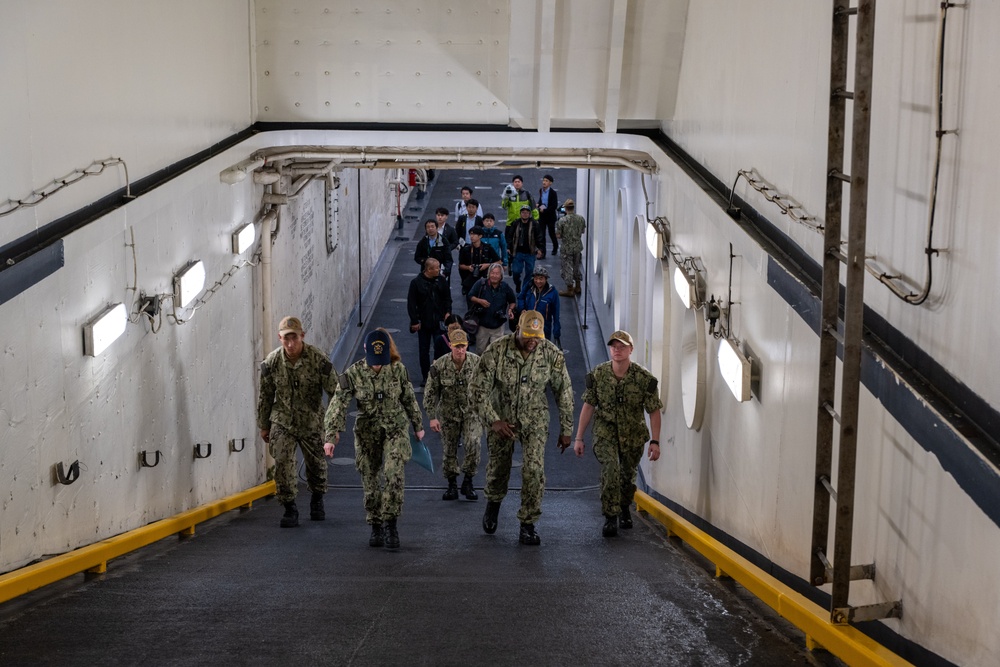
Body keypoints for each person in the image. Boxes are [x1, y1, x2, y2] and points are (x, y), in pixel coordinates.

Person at [469, 310, 574, 546]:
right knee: (498, 468)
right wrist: (492, 420)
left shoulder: (550, 354)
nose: (532, 341)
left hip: (535, 419)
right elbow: (476, 390)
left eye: (536, 336)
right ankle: (493, 503)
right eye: (527, 336)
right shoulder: (497, 350)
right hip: (501, 418)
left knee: (534, 471)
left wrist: (566, 429)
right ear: (518, 329)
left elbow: (564, 391)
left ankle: (528, 524)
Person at [324, 329, 425, 550]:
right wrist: (331, 436)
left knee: (393, 472)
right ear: (365, 351)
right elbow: (338, 404)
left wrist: (418, 425)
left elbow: (409, 397)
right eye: (374, 361)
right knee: (370, 479)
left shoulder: (397, 370)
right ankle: (375, 524)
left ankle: (391, 523)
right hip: (368, 431)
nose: (377, 366)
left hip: (395, 428)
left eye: (381, 361)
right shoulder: (353, 373)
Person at [573, 330, 663, 537]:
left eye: (622, 346)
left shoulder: (644, 379)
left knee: (627, 477)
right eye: (614, 346)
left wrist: (655, 441)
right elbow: (588, 406)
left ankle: (624, 508)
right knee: (611, 469)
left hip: (632, 434)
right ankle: (610, 516)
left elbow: (654, 411)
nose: (617, 350)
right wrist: (579, 437)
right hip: (605, 432)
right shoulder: (598, 374)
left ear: (631, 350)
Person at [256, 316, 339, 528]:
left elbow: (336, 394)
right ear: (279, 338)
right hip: (283, 420)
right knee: (283, 462)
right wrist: (264, 425)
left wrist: (333, 428)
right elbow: (266, 395)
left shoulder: (318, 360)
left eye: (294, 338)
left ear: (302, 336)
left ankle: (317, 498)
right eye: (286, 339)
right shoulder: (272, 362)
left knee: (317, 465)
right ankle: (289, 507)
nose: (290, 344)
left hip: (311, 420)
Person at [423, 328, 483, 502]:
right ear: (450, 345)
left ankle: (468, 480)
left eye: (463, 346)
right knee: (449, 449)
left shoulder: (477, 363)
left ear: (467, 345)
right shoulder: (439, 366)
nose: (460, 350)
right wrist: (432, 416)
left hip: (471, 413)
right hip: (449, 414)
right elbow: (430, 392)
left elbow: (486, 387)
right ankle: (451, 484)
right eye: (457, 346)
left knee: (473, 443)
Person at [407, 258, 452, 386]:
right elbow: (411, 303)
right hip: (424, 322)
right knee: (424, 350)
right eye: (437, 267)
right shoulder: (416, 283)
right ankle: (426, 376)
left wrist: (448, 312)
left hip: (439, 321)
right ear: (429, 269)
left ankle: (439, 373)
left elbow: (447, 298)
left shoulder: (441, 281)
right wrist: (414, 321)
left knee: (441, 348)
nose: (439, 269)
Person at [467, 262, 517, 353]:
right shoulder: (481, 283)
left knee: (496, 353)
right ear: (489, 274)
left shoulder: (505, 287)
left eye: (497, 273)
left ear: (501, 275)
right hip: (482, 326)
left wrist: (510, 309)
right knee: (481, 352)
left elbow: (512, 301)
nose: (494, 276)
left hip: (498, 326)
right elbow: (470, 296)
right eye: (492, 273)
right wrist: (480, 301)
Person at [517, 266, 561, 346]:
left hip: (544, 327)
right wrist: (522, 308)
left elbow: (556, 313)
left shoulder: (553, 293)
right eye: (536, 278)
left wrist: (556, 330)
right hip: (528, 325)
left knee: (542, 350)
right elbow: (521, 297)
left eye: (541, 279)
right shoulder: (528, 287)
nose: (538, 281)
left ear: (546, 279)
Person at [506, 204, 544, 292]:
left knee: (529, 273)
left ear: (530, 214)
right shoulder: (516, 223)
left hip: (530, 253)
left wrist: (540, 249)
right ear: (520, 214)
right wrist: (508, 247)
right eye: (523, 212)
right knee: (515, 272)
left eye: (527, 212)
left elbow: (539, 237)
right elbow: (509, 236)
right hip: (518, 252)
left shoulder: (534, 224)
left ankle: (523, 291)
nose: (525, 214)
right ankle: (518, 283)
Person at [555, 198, 587, 297]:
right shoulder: (580, 218)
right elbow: (582, 231)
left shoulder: (562, 220)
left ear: (565, 208)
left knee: (567, 268)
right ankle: (578, 286)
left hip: (567, 247)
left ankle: (570, 289)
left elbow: (558, 235)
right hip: (577, 246)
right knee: (576, 266)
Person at [458, 226, 500, 296]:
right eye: (471, 234)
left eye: (474, 234)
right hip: (470, 278)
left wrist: (487, 265)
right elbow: (461, 265)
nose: (472, 236)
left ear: (480, 236)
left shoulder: (487, 248)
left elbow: (499, 262)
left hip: (485, 277)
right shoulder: (466, 249)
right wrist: (468, 267)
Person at [537, 174, 559, 258]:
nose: (544, 182)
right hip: (542, 216)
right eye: (544, 180)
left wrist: (545, 210)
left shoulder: (553, 193)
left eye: (546, 181)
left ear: (550, 183)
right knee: (542, 234)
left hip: (550, 216)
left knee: (551, 233)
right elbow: (541, 200)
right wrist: (538, 204)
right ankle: (543, 252)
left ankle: (555, 246)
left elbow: (554, 206)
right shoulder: (541, 191)